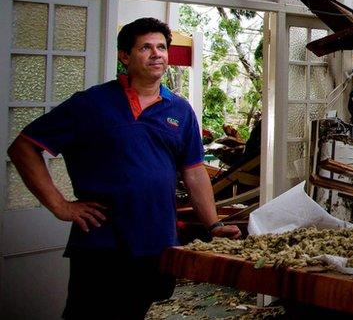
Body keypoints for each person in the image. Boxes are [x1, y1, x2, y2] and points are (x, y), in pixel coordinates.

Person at [7, 17, 242, 319]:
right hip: (101, 243)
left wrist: (213, 226)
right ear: (125, 56)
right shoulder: (91, 103)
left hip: (156, 241)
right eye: (146, 47)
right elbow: (24, 147)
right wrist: (61, 206)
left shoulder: (180, 110)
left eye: (161, 47)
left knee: (134, 312)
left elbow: (194, 172)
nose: (157, 54)